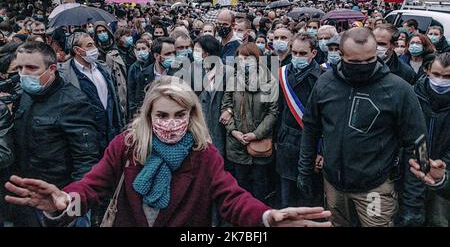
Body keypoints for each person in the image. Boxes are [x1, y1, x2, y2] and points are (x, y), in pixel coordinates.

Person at [4, 76, 331, 227]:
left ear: (192, 116)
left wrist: (265, 216)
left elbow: (231, 198)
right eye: (162, 115)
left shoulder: (204, 154)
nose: (172, 124)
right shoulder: (126, 146)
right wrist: (63, 201)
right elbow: (93, 186)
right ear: (148, 116)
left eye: (179, 115)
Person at [298, 27, 428, 227]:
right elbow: (310, 129)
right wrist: (305, 172)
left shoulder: (398, 89)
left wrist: (413, 203)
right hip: (334, 186)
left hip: (376, 188)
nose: (363, 66)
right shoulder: (325, 84)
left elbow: (417, 145)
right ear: (341, 55)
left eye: (369, 60)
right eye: (355, 62)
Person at [6, 42, 99, 226]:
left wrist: (73, 204)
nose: (24, 74)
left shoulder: (73, 102)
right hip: (28, 198)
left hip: (59, 196)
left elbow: (86, 158)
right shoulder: (24, 96)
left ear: (52, 69)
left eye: (32, 68)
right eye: (20, 68)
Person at [221, 43, 278, 204]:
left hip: (260, 144)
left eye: (247, 58)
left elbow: (272, 113)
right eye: (240, 58)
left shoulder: (269, 81)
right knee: (240, 186)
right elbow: (226, 106)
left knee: (260, 186)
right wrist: (233, 131)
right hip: (237, 144)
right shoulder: (233, 80)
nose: (243, 61)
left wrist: (256, 134)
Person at [276, 34, 323, 208]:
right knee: (286, 197)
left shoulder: (323, 78)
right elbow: (278, 109)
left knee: (308, 199)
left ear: (313, 53)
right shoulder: (282, 72)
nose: (297, 57)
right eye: (294, 52)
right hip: (286, 142)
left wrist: (322, 150)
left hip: (311, 144)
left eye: (302, 53)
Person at [58, 32, 125, 154]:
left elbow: (113, 99)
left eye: (94, 44)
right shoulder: (65, 75)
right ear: (77, 50)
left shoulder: (102, 68)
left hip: (110, 131)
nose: (94, 48)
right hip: (86, 138)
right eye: (89, 45)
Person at [413, 53, 450, 226]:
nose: (441, 80)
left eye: (448, 77)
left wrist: (442, 164)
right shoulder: (412, 95)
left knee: (439, 220)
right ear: (428, 71)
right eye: (437, 75)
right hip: (411, 171)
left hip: (443, 174)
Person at [127, 39, 154, 119]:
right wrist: (133, 109)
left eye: (143, 48)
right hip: (140, 104)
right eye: (138, 49)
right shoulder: (133, 68)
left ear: (149, 49)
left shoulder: (154, 64)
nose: (141, 51)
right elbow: (131, 89)